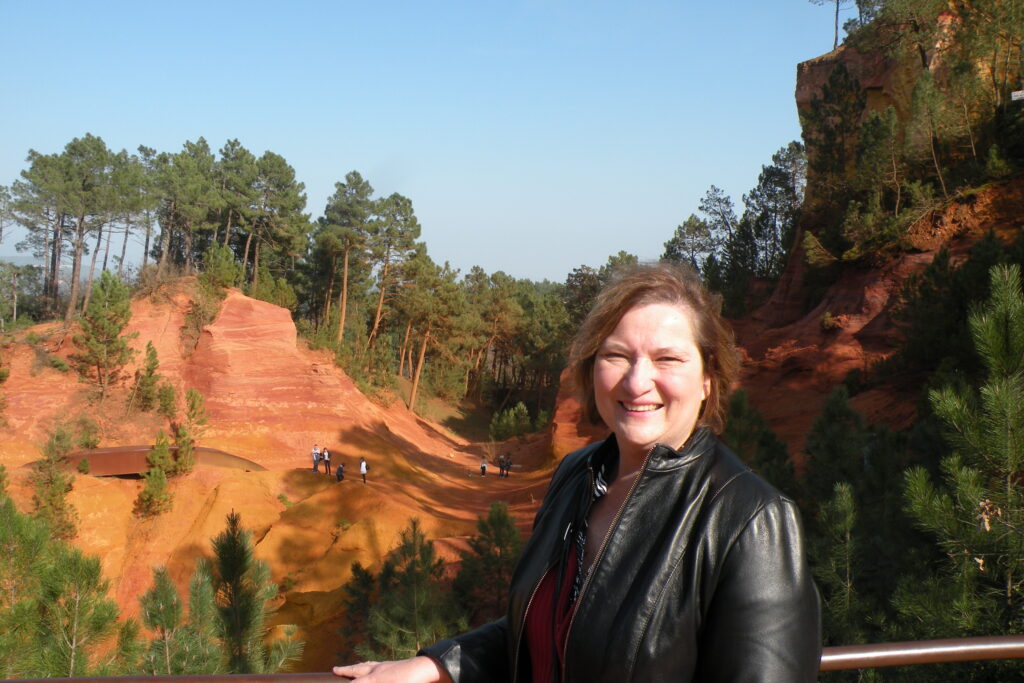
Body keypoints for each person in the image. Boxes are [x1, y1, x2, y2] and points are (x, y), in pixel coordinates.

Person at [333, 262, 820, 683]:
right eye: (617, 355)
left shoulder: (749, 519)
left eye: (667, 359)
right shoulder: (578, 474)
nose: (636, 381)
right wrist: (439, 665)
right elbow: (551, 626)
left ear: (709, 379)